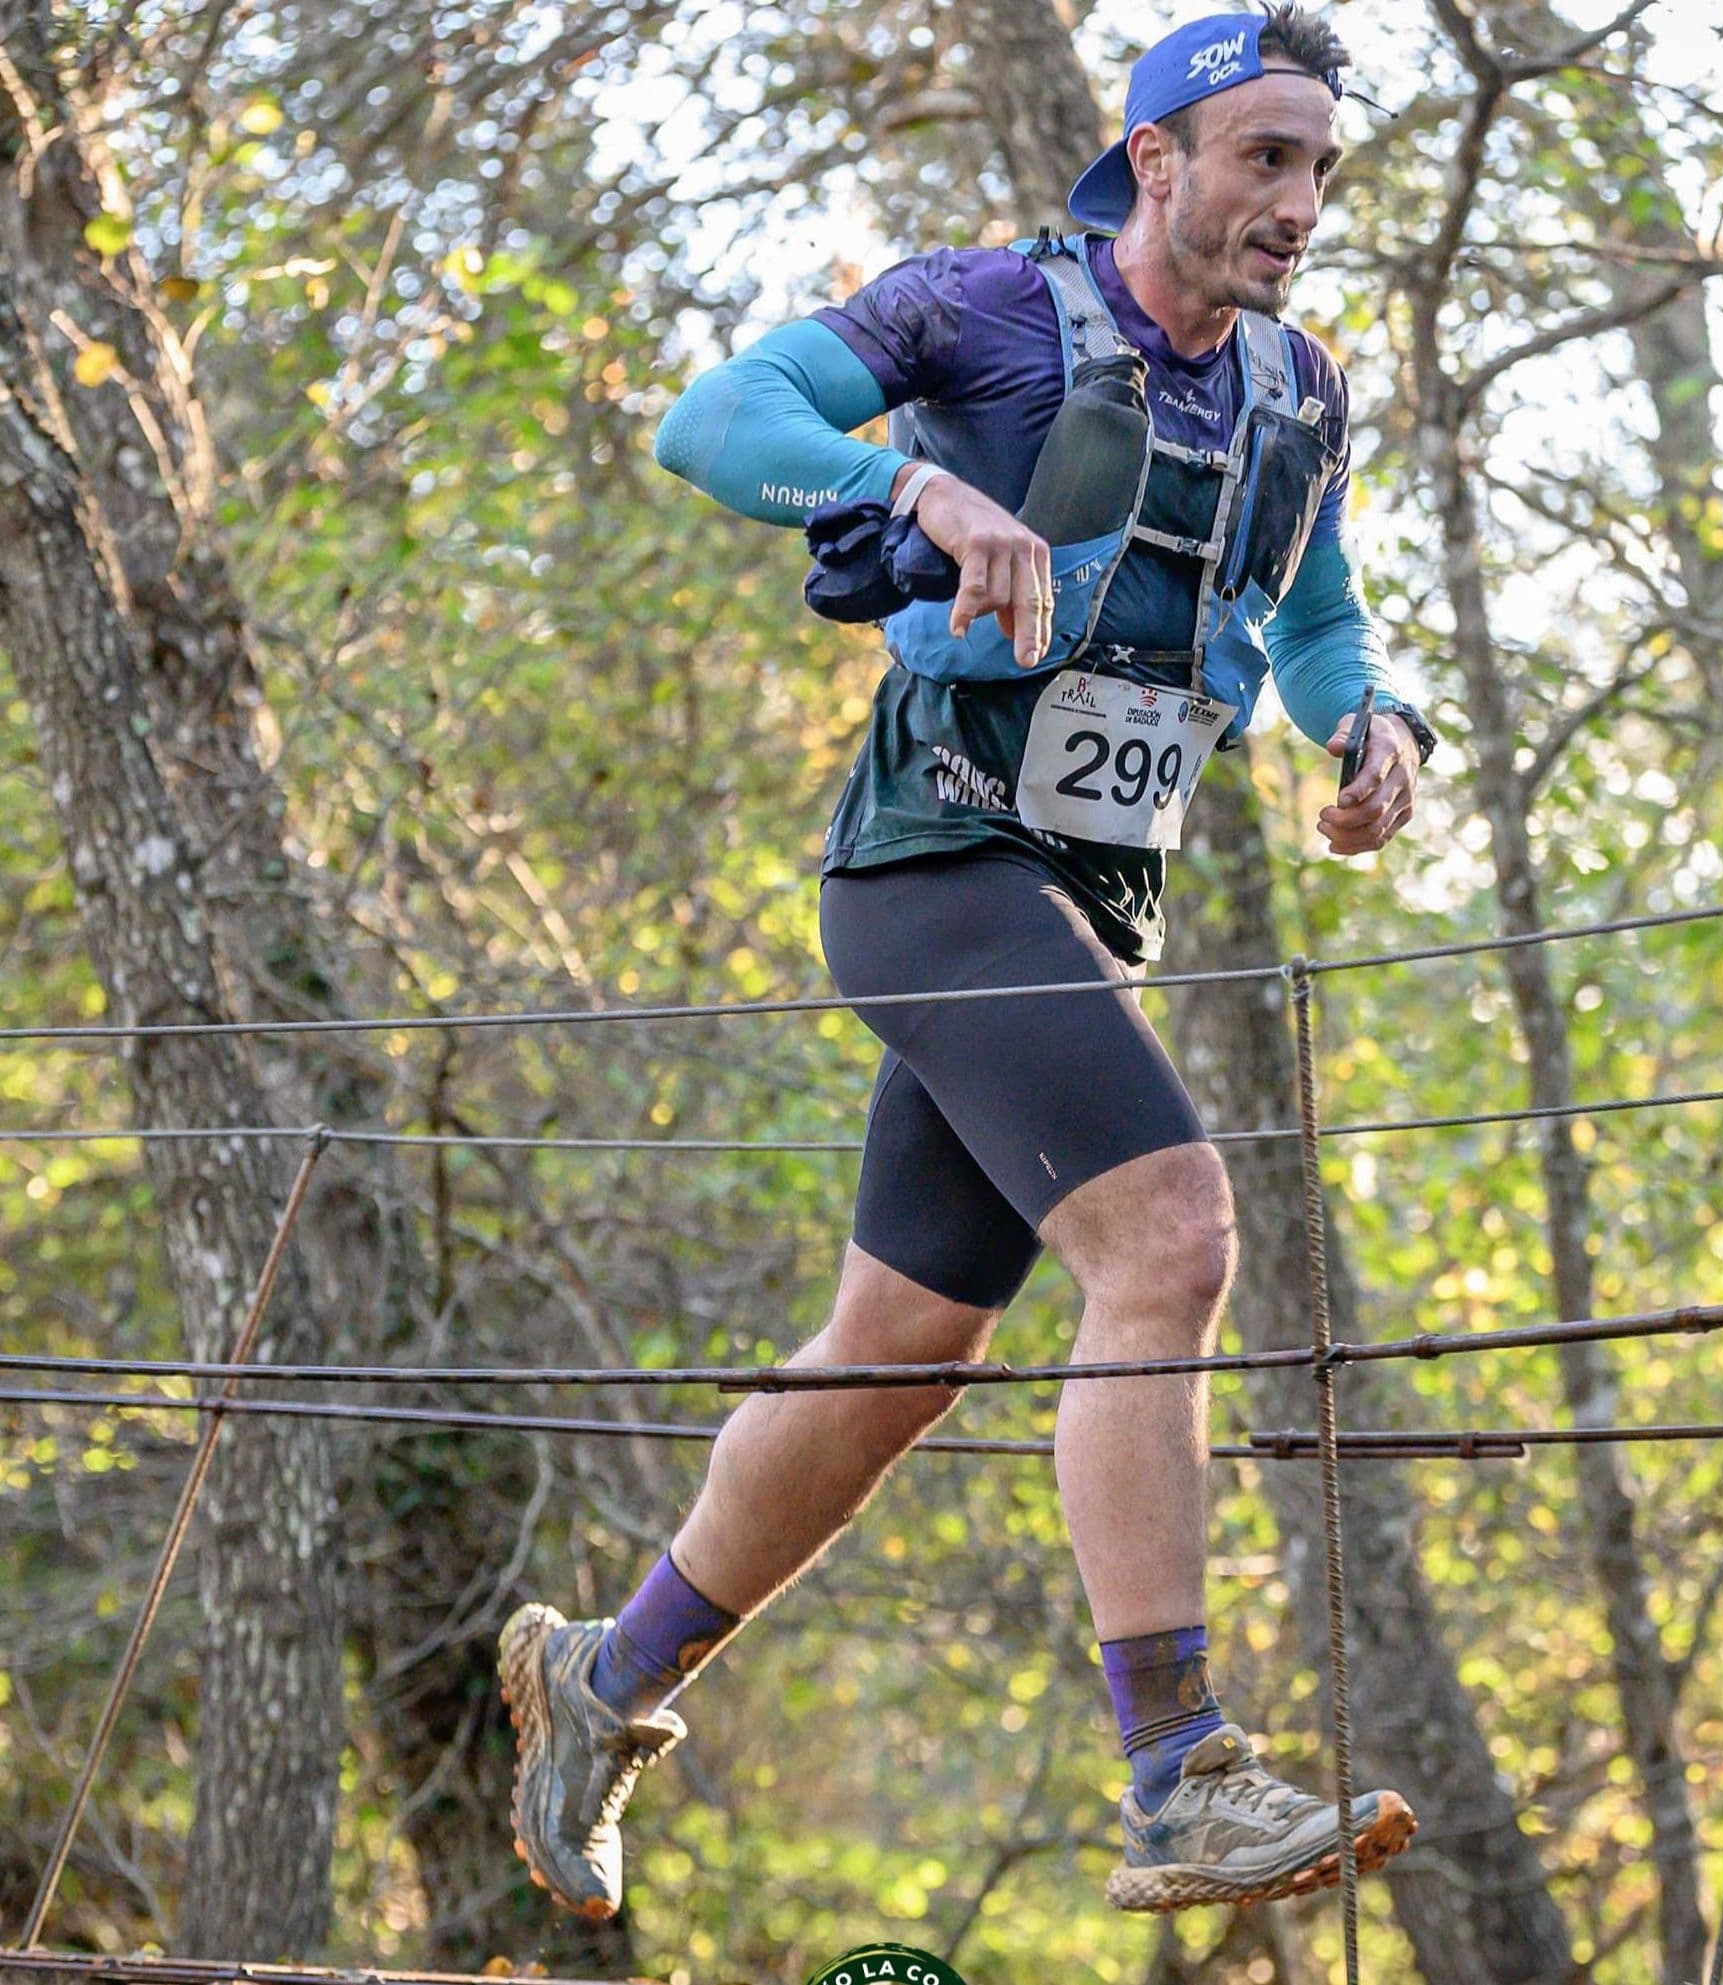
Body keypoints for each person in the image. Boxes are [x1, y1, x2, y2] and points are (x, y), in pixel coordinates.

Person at [499, 6, 1434, 1922]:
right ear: (1157, 156)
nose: (1301, 203)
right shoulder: (981, 309)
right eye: (1266, 157)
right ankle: (1177, 1772)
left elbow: (1311, 606)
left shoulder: (1300, 390)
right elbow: (714, 420)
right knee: (1172, 1236)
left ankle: (604, 1682)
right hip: (933, 869)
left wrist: (1371, 719)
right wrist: (909, 486)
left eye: (1322, 166)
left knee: (902, 1355)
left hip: (1087, 912)